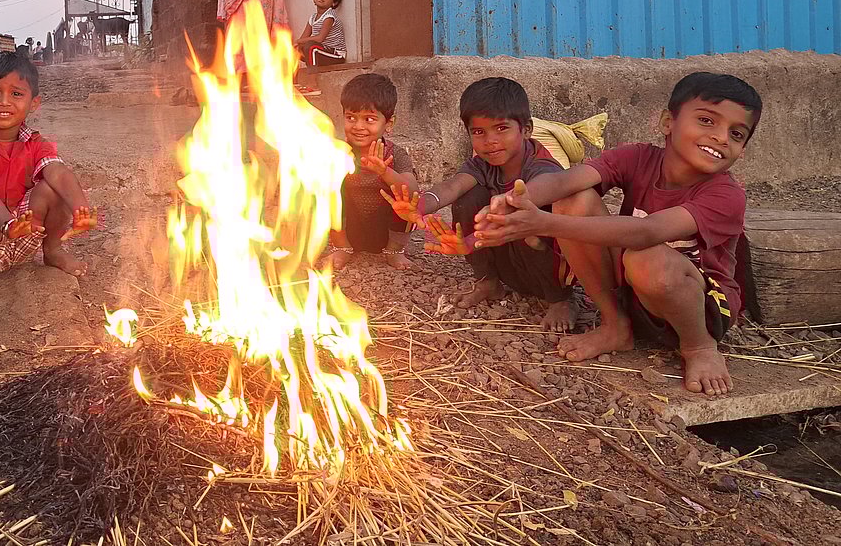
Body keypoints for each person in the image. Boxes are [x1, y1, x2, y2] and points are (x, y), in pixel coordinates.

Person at [473, 72, 762, 397]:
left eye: (736, 134)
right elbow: (565, 181)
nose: (721, 137)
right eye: (707, 121)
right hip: (635, 296)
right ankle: (615, 325)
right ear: (667, 122)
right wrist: (512, 201)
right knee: (574, 199)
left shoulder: (726, 195)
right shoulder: (638, 157)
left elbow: (648, 232)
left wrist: (542, 223)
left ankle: (699, 348)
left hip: (701, 309)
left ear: (742, 148)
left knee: (647, 258)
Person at [384, 78, 577, 332]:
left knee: (526, 220)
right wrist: (419, 206)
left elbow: (542, 190)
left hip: (547, 264)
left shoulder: (540, 165)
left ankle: (560, 300)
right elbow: (453, 186)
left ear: (526, 129)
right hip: (510, 263)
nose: (490, 140)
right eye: (478, 132)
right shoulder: (482, 164)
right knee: (468, 197)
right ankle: (488, 281)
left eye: (501, 128)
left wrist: (473, 237)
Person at [0, 52, 100, 312]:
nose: (4, 101)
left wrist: (81, 210)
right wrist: (8, 224)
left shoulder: (36, 143)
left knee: (53, 188)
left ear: (34, 103)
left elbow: (58, 173)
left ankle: (53, 251)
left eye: (16, 94)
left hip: (24, 233)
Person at [325, 73, 417, 271]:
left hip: (385, 231)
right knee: (326, 184)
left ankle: (394, 251)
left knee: (408, 199)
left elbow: (412, 191)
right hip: (351, 229)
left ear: (389, 124)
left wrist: (385, 172)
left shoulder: (396, 155)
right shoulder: (338, 152)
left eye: (369, 119)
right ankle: (341, 247)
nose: (358, 126)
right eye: (351, 117)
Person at [296, 0, 346, 67]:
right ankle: (291, 74)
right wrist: (294, 45)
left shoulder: (329, 16)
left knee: (311, 47)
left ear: (334, 2)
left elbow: (320, 38)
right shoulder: (313, 17)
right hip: (321, 52)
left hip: (335, 55)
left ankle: (313, 74)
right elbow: (303, 38)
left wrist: (297, 41)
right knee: (296, 49)